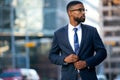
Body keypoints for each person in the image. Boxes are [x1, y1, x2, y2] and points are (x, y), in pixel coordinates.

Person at [49, 1, 107, 80]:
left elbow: (102, 52)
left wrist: (87, 63)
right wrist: (64, 59)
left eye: (84, 10)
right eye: (80, 10)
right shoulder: (59, 34)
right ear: (70, 13)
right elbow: (52, 56)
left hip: (89, 77)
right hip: (68, 77)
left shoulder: (91, 31)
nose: (83, 13)